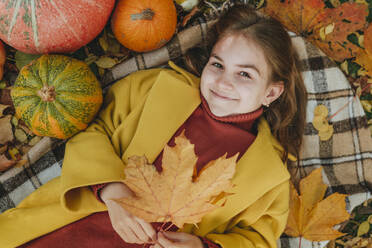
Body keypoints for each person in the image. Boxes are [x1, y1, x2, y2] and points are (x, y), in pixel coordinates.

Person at [0, 4, 307, 248]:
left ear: (271, 92)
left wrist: (202, 247)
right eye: (218, 65)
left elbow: (258, 240)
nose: (224, 82)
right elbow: (94, 129)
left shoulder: (270, 176)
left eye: (245, 75)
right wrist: (111, 190)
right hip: (69, 231)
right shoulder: (153, 88)